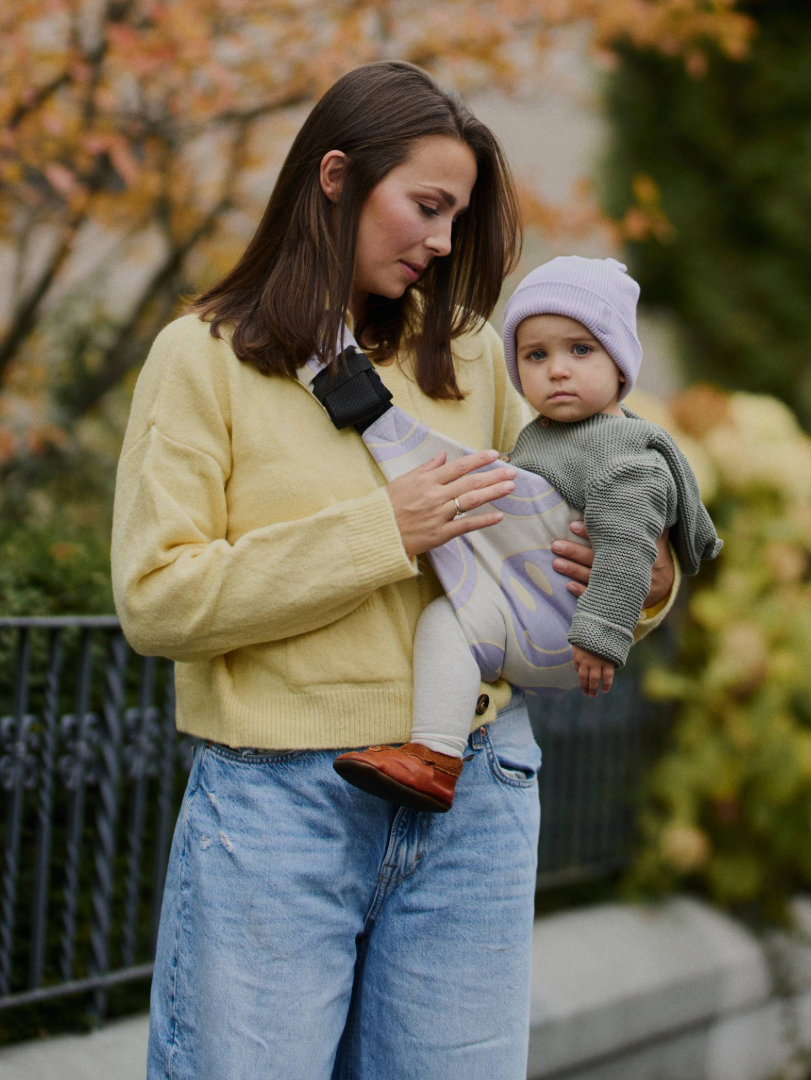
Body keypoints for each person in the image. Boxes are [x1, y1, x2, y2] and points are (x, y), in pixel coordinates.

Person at [110, 61, 677, 1080]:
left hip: (477, 793)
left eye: (458, 216)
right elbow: (157, 599)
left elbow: (589, 507)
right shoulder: (197, 359)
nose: (445, 243)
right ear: (335, 177)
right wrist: (385, 529)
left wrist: (636, 581)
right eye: (426, 206)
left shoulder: (473, 356)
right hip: (281, 809)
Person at [332, 256, 721, 812]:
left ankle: (436, 754)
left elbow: (631, 545)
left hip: (568, 625)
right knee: (446, 624)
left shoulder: (624, 453)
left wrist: (603, 632)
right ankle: (435, 756)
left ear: (621, 365)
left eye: (580, 350)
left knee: (455, 616)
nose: (557, 369)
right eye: (536, 355)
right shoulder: (544, 433)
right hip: (517, 606)